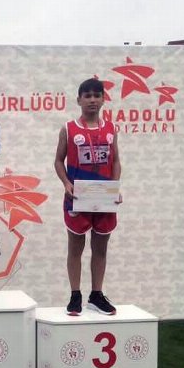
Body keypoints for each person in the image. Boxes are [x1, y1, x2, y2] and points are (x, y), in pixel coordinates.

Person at [54, 78, 122, 316]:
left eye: (97, 95)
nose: (92, 100)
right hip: (77, 197)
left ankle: (96, 294)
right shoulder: (69, 128)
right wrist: (66, 183)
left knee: (100, 248)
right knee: (76, 248)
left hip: (104, 198)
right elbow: (58, 161)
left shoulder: (111, 129)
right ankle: (75, 295)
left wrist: (115, 187)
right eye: (87, 96)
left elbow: (115, 161)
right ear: (79, 100)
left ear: (103, 99)